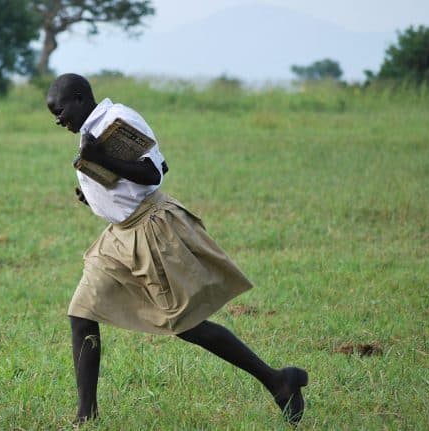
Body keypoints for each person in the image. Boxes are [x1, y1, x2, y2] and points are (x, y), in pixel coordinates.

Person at [45, 73, 308, 426]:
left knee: (186, 326)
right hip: (118, 235)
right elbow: (131, 176)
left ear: (79, 98)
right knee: (81, 314)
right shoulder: (89, 132)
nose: (57, 119)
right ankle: (86, 416)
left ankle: (278, 380)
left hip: (149, 230)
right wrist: (94, 192)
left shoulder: (117, 120)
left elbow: (153, 172)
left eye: (59, 110)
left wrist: (102, 161)